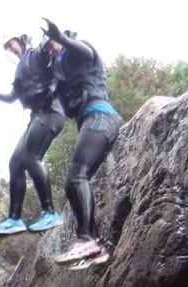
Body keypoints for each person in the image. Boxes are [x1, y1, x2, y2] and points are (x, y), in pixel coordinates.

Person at [41, 18, 121, 270]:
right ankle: (94, 247)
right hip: (90, 120)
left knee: (77, 178)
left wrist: (62, 39)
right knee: (70, 186)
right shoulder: (61, 72)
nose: (51, 49)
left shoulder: (81, 52)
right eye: (48, 48)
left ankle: (86, 240)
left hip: (101, 116)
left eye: (52, 45)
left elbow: (83, 50)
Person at [0, 33, 66, 236]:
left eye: (11, 44)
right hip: (38, 116)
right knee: (15, 162)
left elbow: (52, 48)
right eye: (7, 48)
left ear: (22, 39)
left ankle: (50, 212)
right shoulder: (21, 69)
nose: (11, 49)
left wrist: (55, 36)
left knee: (31, 157)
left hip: (51, 112)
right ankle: (14, 219)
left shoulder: (38, 54)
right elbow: (10, 98)